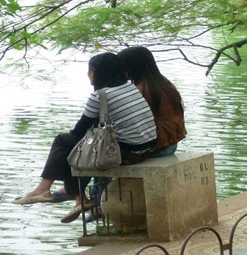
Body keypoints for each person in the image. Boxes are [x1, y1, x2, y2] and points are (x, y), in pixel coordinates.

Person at [12, 53, 157, 223]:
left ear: (95, 72)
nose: (88, 74)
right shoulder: (130, 88)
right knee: (78, 147)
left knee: (64, 142)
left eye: (89, 70)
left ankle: (47, 189)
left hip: (129, 153)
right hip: (147, 148)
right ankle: (78, 199)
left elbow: (79, 131)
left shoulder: (100, 96)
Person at [118, 46, 186, 157]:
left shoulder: (140, 90)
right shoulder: (165, 83)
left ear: (131, 66)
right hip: (171, 144)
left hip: (157, 147)